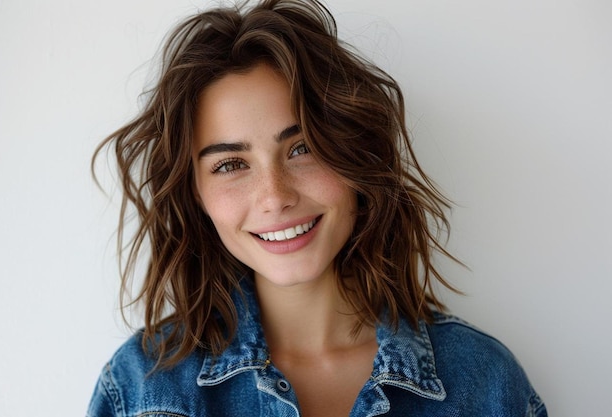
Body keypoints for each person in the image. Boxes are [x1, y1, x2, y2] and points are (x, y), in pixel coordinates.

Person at [87, 0, 547, 416]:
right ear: (195, 194)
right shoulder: (141, 391)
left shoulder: (484, 384)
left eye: (302, 148)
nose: (274, 196)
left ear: (357, 157)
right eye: (230, 164)